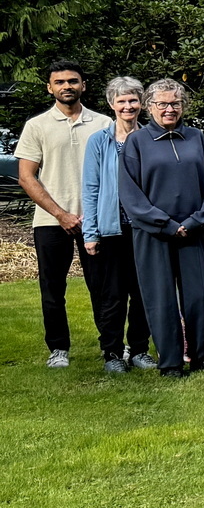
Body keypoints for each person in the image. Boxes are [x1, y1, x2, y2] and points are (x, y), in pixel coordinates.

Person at [119, 80, 204, 377]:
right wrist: (165, 224)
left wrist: (194, 222)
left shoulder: (198, 139)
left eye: (175, 103)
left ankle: (202, 356)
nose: (169, 109)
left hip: (194, 231)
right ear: (149, 106)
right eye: (162, 104)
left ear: (183, 106)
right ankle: (170, 362)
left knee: (201, 295)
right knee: (160, 298)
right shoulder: (136, 143)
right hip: (153, 234)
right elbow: (130, 194)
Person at [17, 60, 112, 369]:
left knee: (103, 287)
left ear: (83, 85)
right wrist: (60, 214)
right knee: (52, 289)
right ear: (50, 88)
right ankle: (58, 349)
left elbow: (114, 173)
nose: (67, 86)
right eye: (60, 82)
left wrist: (95, 214)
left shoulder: (104, 123)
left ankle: (111, 347)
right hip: (50, 221)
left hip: (96, 221)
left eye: (73, 81)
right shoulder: (37, 126)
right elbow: (26, 177)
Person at [80, 77, 155, 372]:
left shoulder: (150, 138)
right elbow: (91, 188)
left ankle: (139, 350)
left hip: (144, 229)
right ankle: (112, 352)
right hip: (112, 230)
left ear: (142, 104)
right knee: (112, 295)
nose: (128, 106)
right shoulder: (99, 141)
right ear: (111, 104)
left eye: (133, 100)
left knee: (143, 293)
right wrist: (90, 233)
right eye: (121, 101)